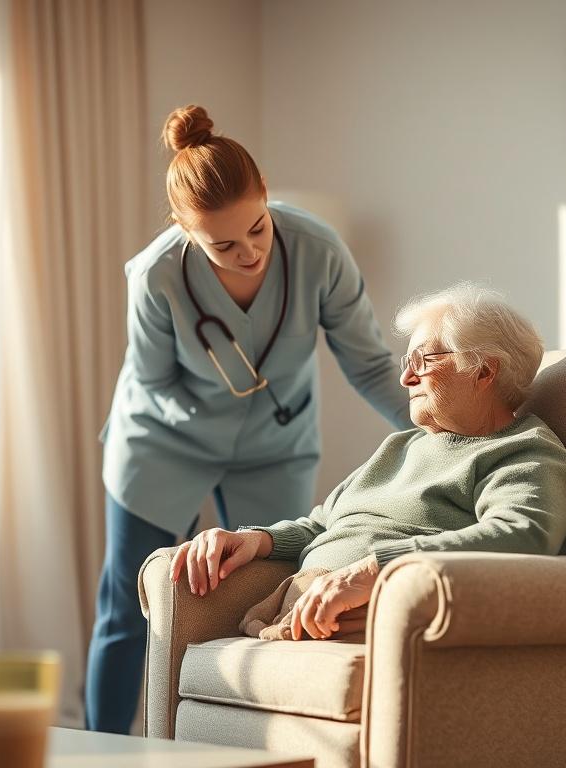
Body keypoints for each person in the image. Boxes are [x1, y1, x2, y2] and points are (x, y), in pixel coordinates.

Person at [85, 105, 414, 733]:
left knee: (264, 602)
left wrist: (436, 425)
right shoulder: (156, 276)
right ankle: (104, 749)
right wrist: (232, 389)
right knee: (129, 608)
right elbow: (153, 382)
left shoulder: (319, 252)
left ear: (266, 198)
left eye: (258, 229)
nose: (249, 252)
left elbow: (370, 367)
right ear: (188, 236)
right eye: (223, 245)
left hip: (275, 444)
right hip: (163, 439)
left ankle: (260, 742)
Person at [170, 281, 566, 641]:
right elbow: (321, 524)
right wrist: (254, 540)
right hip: (301, 611)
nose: (406, 379)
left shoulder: (523, 452)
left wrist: (376, 571)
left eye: (424, 361)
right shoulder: (401, 447)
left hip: (379, 619)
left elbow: (523, 534)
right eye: (407, 363)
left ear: (484, 371)